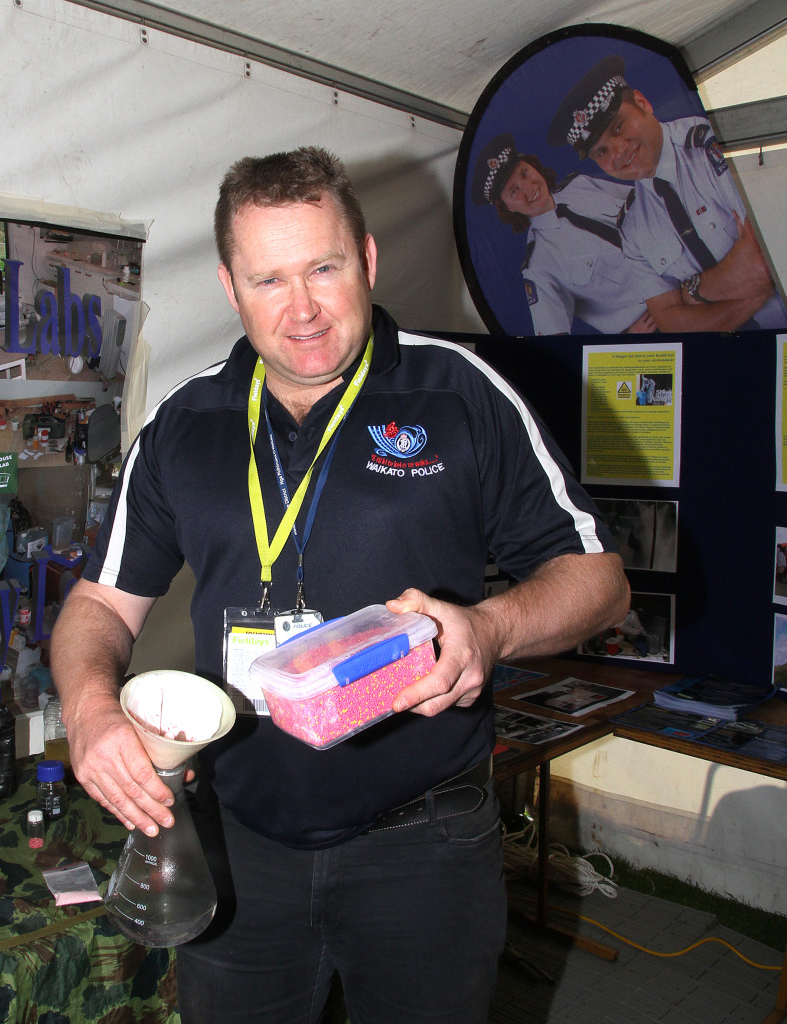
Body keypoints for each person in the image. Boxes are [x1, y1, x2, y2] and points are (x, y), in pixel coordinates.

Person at [50, 146, 630, 1023]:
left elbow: (598, 581)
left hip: (423, 846)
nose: (303, 309)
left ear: (364, 258)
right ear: (228, 285)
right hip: (240, 844)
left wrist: (489, 628)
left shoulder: (458, 393)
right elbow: (97, 605)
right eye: (269, 279)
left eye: (322, 267)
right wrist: (90, 711)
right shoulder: (187, 424)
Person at [548, 55, 787, 333]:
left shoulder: (711, 146)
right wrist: (750, 294)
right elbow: (672, 323)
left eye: (618, 127)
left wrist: (691, 293)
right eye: (601, 151)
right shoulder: (632, 225)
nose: (618, 152)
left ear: (642, 103)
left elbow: (762, 265)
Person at [471, 131, 660, 334]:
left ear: (533, 167)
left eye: (525, 173)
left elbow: (644, 202)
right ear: (508, 207)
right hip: (655, 323)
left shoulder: (580, 185)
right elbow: (554, 341)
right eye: (514, 191)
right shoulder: (539, 265)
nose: (528, 187)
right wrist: (628, 338)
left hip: (684, 280)